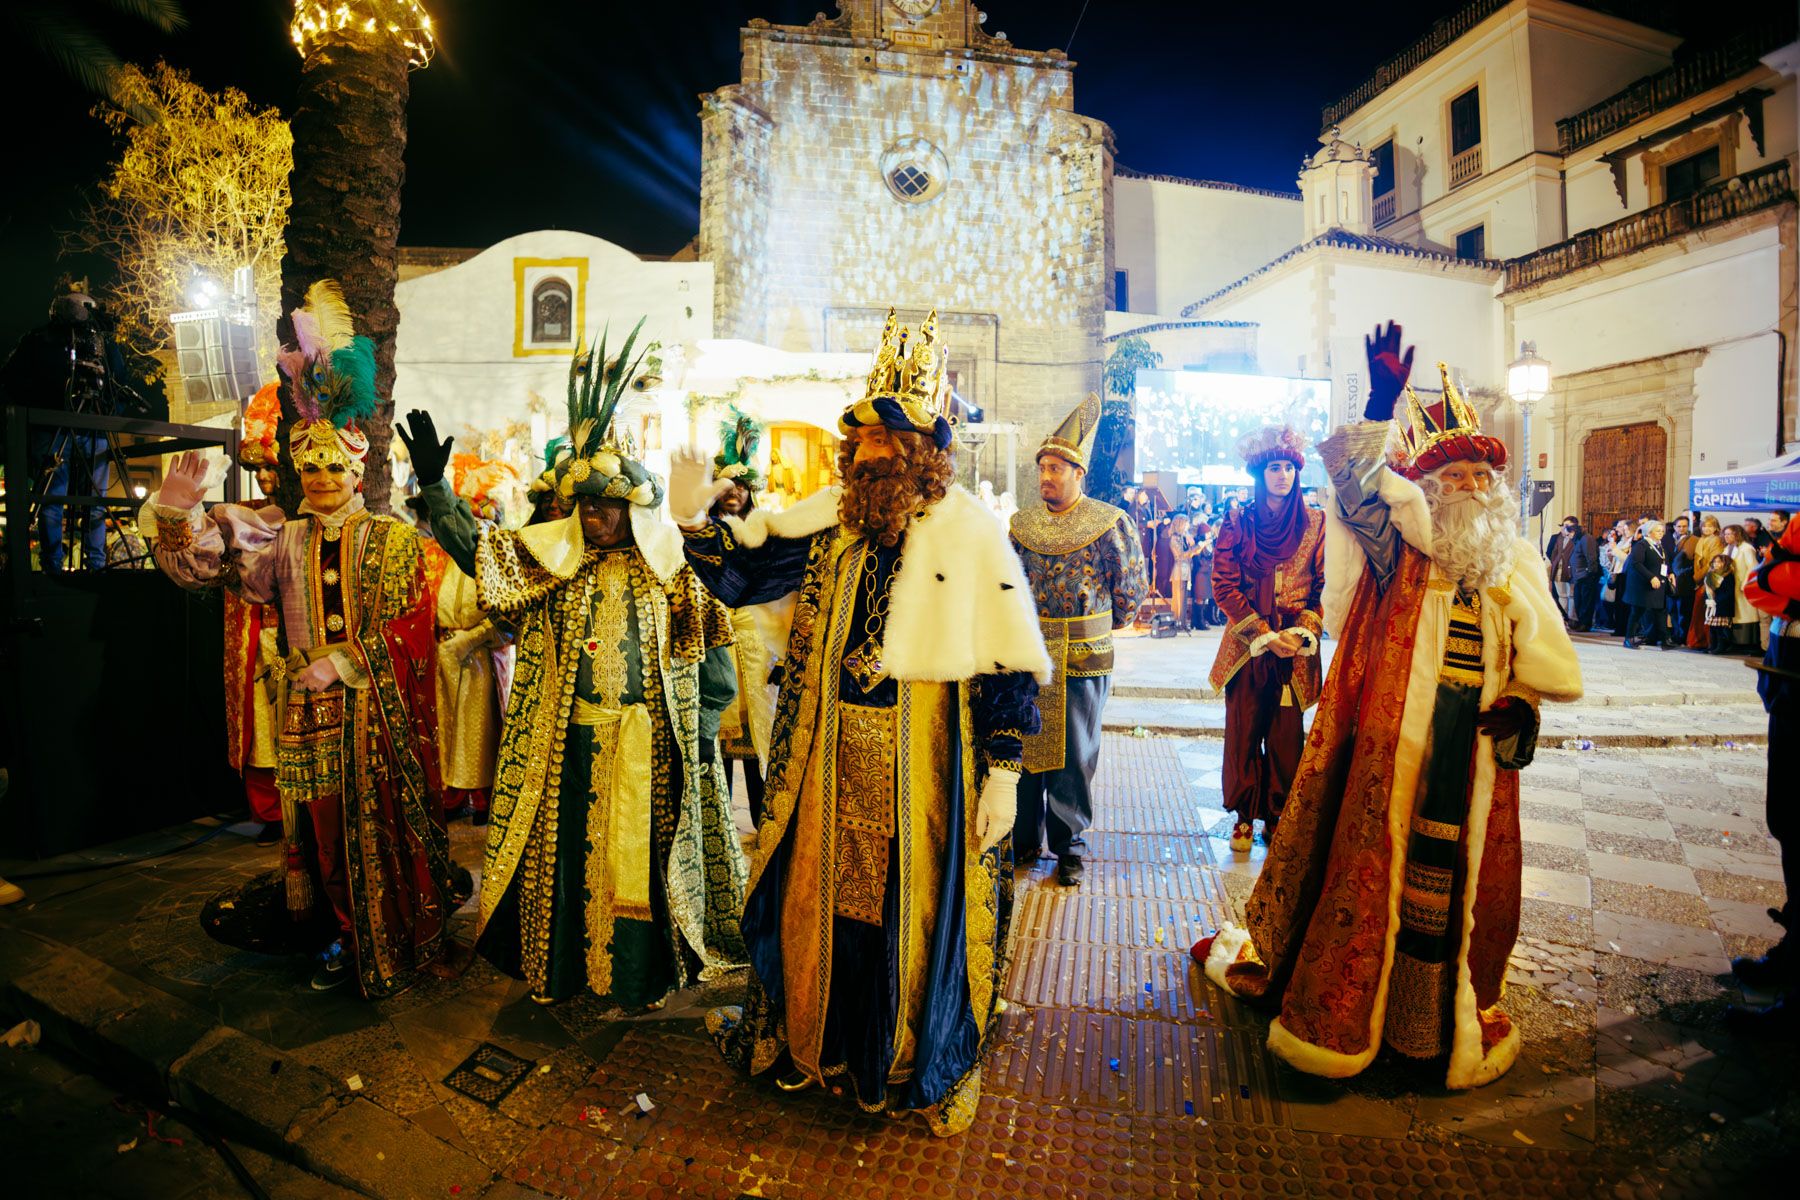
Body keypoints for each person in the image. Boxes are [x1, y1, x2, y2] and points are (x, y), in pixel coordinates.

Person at [672, 308, 1049, 1135]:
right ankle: (822, 1046)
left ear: (924, 452)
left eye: (892, 440)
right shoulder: (829, 527)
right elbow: (736, 576)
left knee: (905, 916)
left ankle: (899, 1057)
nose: (874, 454)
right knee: (828, 910)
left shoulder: (971, 535)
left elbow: (1013, 659)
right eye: (864, 442)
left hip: (927, 767)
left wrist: (1006, 769)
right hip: (829, 760)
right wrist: (695, 515)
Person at [1199, 323, 1582, 1089]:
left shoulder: (1514, 567)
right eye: (1458, 477)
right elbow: (1353, 486)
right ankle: (1353, 1022)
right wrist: (1377, 401)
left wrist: (1522, 708)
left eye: (1483, 475)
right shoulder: (1396, 546)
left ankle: (1431, 1032)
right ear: (1430, 492)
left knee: (1450, 889)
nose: (1473, 487)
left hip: (1469, 758)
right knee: (1381, 882)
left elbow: (1536, 660)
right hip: (1389, 753)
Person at [405, 331, 747, 1010]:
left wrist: (700, 734)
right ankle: (564, 973)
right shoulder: (551, 565)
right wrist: (438, 490)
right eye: (589, 505)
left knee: (644, 867)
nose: (599, 517)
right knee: (565, 865)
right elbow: (480, 553)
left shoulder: (675, 575)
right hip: (567, 754)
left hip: (653, 752)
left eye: (612, 505)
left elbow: (714, 659)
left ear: (635, 508)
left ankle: (642, 977)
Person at [145, 281, 453, 996]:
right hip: (304, 716)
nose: (318, 477)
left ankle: (382, 930)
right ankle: (342, 932)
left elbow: (414, 629)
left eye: (331, 467)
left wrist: (344, 663)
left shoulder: (394, 541)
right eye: (308, 466)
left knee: (368, 830)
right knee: (318, 835)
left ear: (356, 469)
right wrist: (176, 515)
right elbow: (210, 573)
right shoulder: (281, 541)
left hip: (372, 716)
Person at [1010, 393, 1147, 885]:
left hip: (1084, 654)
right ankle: (1022, 838)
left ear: (1078, 473)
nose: (1046, 477)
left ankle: (1070, 847)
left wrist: (1101, 621)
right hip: (1028, 652)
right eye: (1042, 467)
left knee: (1075, 753)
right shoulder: (1020, 526)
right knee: (1024, 746)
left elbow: (1131, 591)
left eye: (1056, 469)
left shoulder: (1110, 522)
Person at [1209, 426, 1326, 853]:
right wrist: (1263, 634)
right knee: (1243, 732)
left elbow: (1322, 587)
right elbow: (1223, 585)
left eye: (1289, 468)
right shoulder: (1239, 520)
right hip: (1247, 647)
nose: (1283, 476)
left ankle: (1278, 816)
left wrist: (1298, 634)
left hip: (1294, 651)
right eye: (1274, 468)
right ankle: (1243, 815)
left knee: (1285, 738)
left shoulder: (1316, 522)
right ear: (1260, 474)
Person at [0, 282, 132, 571]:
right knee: (63, 497)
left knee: (62, 498)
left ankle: (60, 566)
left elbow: (117, 381)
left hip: (80, 426)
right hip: (58, 428)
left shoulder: (86, 341)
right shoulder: (41, 339)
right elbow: (12, 380)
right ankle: (81, 566)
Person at [1728, 515, 1800, 1034]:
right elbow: (1765, 585)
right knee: (1791, 826)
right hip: (1789, 690)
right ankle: (1796, 951)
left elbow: (1774, 580)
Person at [222, 382, 286, 847]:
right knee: (260, 728)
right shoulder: (242, 513)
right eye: (259, 472)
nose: (265, 481)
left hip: (295, 640)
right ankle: (268, 810)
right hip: (254, 638)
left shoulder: (305, 517)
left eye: (272, 470)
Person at [711, 409, 781, 827]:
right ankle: (718, 825)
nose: (733, 493)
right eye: (726, 486)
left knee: (761, 735)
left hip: (758, 644)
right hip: (717, 643)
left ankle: (765, 819)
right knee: (717, 738)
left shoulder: (767, 532)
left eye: (740, 486)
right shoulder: (703, 536)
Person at [1622, 519, 1670, 649]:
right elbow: (1636, 563)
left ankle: (1664, 641)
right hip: (1644, 586)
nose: (1661, 533)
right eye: (1658, 531)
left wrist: (1670, 574)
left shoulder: (1659, 545)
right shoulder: (1642, 545)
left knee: (1660, 611)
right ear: (1649, 532)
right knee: (1637, 612)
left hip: (1658, 584)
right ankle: (1629, 638)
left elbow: (1663, 563)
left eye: (1662, 531)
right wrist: (1651, 577)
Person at [1687, 515, 1725, 648]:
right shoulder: (1701, 540)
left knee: (1705, 611)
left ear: (1715, 528)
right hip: (1699, 578)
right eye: (1704, 526)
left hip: (1709, 579)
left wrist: (1699, 577)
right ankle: (1698, 641)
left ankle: (1706, 641)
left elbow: (1712, 562)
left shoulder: (1716, 540)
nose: (1707, 528)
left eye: (1710, 526)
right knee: (1699, 611)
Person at [1725, 525, 1762, 652]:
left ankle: (1746, 643)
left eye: (1730, 534)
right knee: (1735, 614)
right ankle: (1735, 642)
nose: (1727, 536)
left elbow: (1753, 567)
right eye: (1725, 534)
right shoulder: (1728, 548)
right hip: (1731, 587)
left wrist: (1745, 584)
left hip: (1743, 587)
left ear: (1738, 534)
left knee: (1745, 615)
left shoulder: (1746, 548)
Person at [1667, 515, 1695, 645]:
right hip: (1670, 579)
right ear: (1674, 527)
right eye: (1679, 526)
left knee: (1683, 610)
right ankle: (1676, 634)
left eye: (1684, 526)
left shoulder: (1693, 540)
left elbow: (1692, 562)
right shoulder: (1670, 539)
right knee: (1672, 609)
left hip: (1684, 580)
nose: (1681, 528)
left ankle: (1682, 636)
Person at [1702, 553, 1738, 654]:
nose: (1716, 564)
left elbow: (1729, 592)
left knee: (1720, 628)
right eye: (1715, 562)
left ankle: (1721, 646)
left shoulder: (1728, 575)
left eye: (1719, 562)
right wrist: (1708, 600)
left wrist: (1717, 601)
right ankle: (1713, 645)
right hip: (1712, 605)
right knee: (1712, 627)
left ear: (1724, 563)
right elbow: (1708, 590)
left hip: (1722, 606)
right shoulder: (1711, 574)